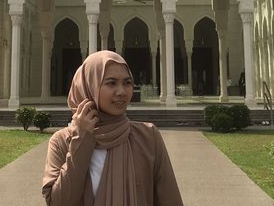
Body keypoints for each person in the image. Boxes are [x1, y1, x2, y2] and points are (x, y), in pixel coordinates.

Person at [42, 50, 184, 205]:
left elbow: (170, 199)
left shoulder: (147, 137)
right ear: (90, 86)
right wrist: (81, 140)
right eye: (111, 83)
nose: (122, 92)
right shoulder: (62, 142)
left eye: (127, 83)